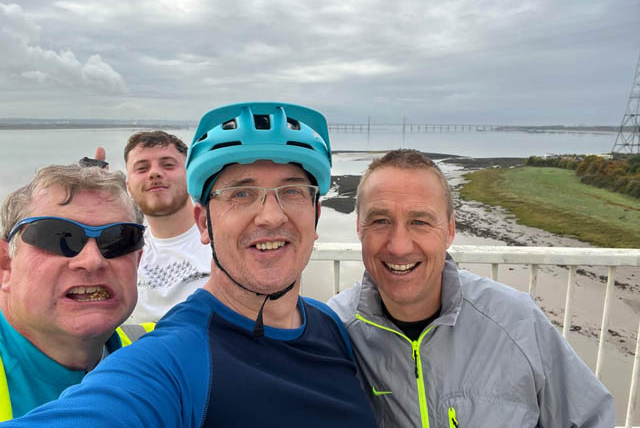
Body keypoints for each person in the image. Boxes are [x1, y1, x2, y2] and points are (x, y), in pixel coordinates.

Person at [1, 102, 376, 427]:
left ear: (316, 217)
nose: (270, 216)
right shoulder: (176, 356)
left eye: (292, 191)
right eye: (241, 193)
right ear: (203, 223)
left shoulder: (330, 326)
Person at [329, 149, 614, 427]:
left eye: (419, 222)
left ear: (450, 230)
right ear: (359, 227)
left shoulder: (516, 322)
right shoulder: (333, 332)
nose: (399, 246)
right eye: (381, 221)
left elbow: (590, 417)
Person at [0, 164, 145, 420]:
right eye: (60, 237)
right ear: (6, 265)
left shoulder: (159, 356)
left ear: (137, 260)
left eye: (118, 239)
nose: (92, 260)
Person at [123, 131, 210, 323]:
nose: (154, 173)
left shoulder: (223, 242)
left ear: (191, 175)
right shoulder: (120, 251)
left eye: (168, 165)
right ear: (128, 186)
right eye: (142, 168)